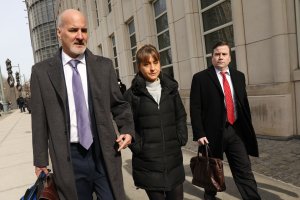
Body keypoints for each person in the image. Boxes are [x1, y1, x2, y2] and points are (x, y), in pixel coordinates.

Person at [30, 9, 135, 200]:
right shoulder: (41, 72)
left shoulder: (104, 66)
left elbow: (119, 105)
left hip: (104, 152)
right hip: (68, 158)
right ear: (59, 33)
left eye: (84, 30)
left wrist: (127, 129)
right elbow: (39, 121)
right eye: (73, 30)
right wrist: (40, 161)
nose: (80, 36)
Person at [190, 41, 261, 200]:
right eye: (217, 54)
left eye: (224, 54)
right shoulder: (200, 78)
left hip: (236, 131)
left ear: (230, 57)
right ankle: (210, 197)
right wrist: (199, 133)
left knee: (244, 170)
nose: (220, 57)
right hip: (212, 134)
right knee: (211, 171)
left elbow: (243, 104)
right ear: (212, 57)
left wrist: (247, 128)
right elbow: (195, 108)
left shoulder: (239, 76)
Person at [124, 44, 188, 200]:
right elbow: (127, 124)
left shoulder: (171, 89)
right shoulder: (132, 95)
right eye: (146, 64)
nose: (152, 68)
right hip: (148, 164)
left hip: (173, 160)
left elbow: (180, 115)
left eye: (155, 62)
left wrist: (181, 137)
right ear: (139, 67)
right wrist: (138, 147)